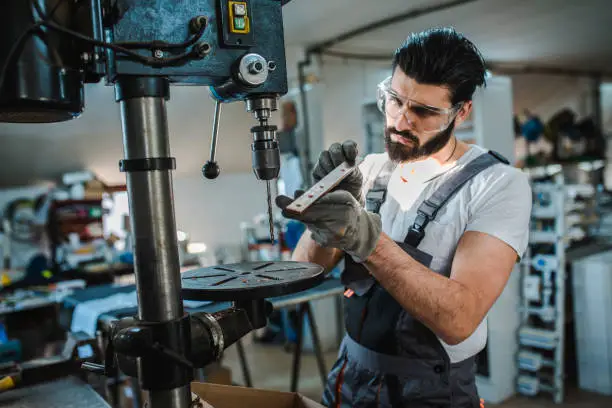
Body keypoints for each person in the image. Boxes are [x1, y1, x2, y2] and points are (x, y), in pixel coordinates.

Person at [276, 27, 532, 407]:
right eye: (394, 100)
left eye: (424, 112)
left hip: (430, 391)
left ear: (461, 111)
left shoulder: (497, 185)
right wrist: (326, 210)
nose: (400, 121)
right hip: (349, 375)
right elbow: (302, 271)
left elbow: (459, 320)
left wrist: (368, 241)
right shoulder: (373, 169)